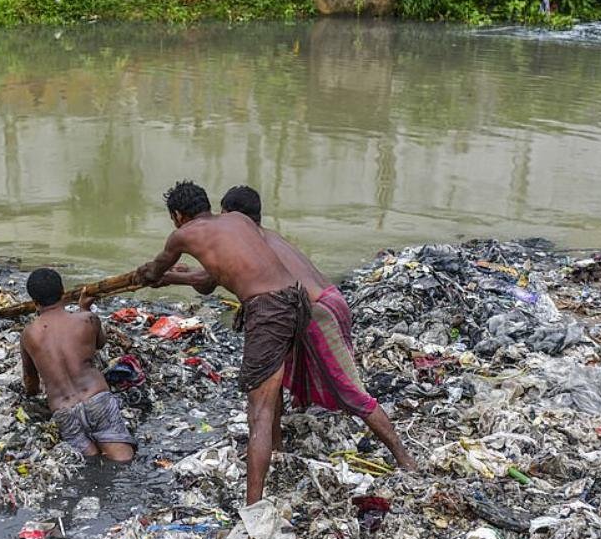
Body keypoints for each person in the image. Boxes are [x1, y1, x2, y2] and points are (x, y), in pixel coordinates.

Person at [174, 185, 418, 471]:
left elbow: (210, 279)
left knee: (351, 392)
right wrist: (179, 277)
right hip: (317, 303)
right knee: (272, 380)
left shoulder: (254, 242)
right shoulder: (265, 238)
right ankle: (275, 449)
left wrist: (167, 276)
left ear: (232, 216)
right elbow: (212, 276)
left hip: (318, 312)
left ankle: (406, 460)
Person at [136, 181, 309, 504]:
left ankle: (253, 506)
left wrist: (147, 275)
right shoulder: (239, 222)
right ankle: (278, 452)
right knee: (271, 391)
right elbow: (207, 283)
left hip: (268, 310)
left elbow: (155, 270)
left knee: (258, 410)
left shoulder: (182, 235)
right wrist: (174, 277)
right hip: (296, 300)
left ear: (177, 215)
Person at [20, 268, 136, 462]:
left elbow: (31, 382)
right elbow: (100, 343)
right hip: (97, 400)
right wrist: (85, 309)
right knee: (122, 461)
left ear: (34, 302)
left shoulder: (28, 335)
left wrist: (31, 397)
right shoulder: (87, 320)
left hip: (64, 411)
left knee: (89, 463)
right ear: (63, 292)